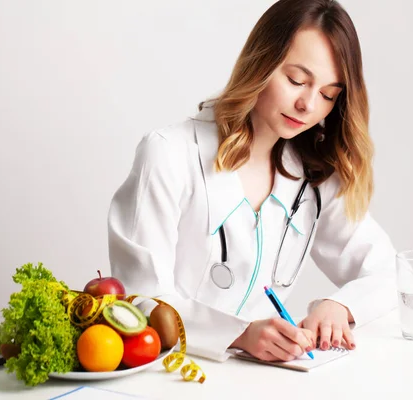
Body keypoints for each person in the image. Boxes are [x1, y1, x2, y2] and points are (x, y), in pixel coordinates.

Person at [107, 0, 397, 363]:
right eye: (296, 80)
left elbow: (389, 270)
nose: (308, 104)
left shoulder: (313, 177)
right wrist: (238, 335)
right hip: (171, 375)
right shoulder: (169, 154)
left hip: (262, 382)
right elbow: (140, 297)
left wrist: (338, 306)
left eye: (327, 94)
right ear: (261, 62)